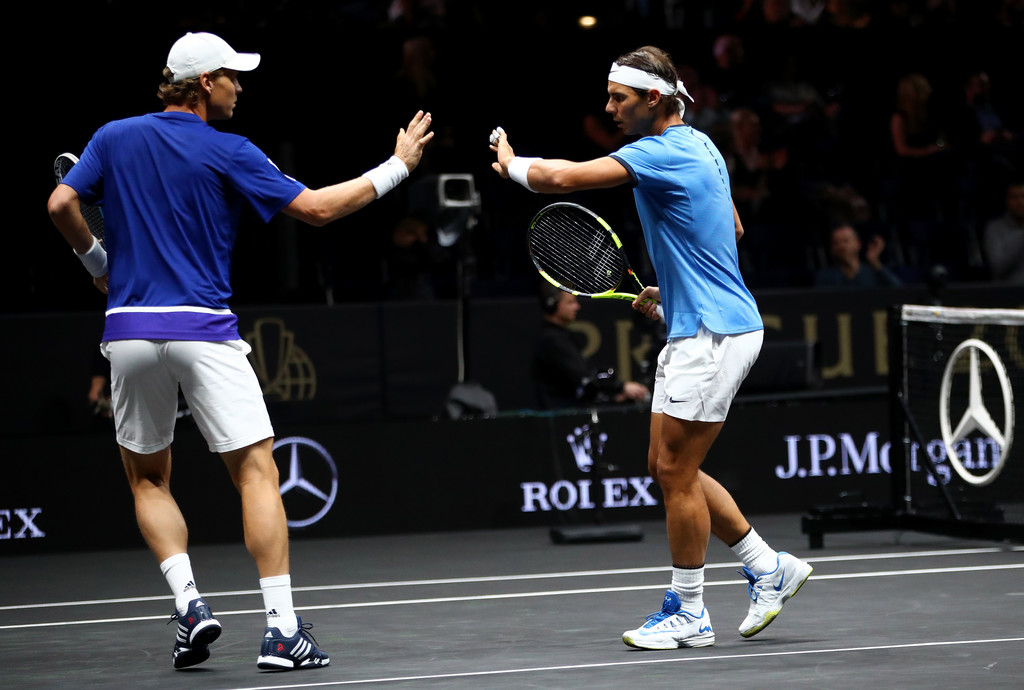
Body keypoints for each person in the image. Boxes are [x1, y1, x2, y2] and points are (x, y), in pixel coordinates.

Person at [47, 32, 433, 671]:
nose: (240, 85)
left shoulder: (113, 135)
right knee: (256, 471)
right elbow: (317, 209)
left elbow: (62, 202)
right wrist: (398, 167)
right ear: (204, 84)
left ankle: (189, 605)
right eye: (232, 75)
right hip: (204, 329)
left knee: (147, 478)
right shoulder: (231, 150)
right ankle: (282, 632)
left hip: (130, 332)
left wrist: (98, 263)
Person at [490, 45, 812, 651]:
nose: (609, 107)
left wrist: (511, 165)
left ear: (654, 100)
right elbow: (732, 227)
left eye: (619, 98)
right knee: (666, 468)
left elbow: (561, 178)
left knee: (677, 470)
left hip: (715, 332)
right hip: (699, 321)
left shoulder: (660, 151)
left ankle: (688, 611)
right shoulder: (703, 146)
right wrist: (678, 287)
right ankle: (769, 567)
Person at [532, 282, 649, 409]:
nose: (577, 307)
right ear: (552, 304)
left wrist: (613, 396)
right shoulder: (552, 339)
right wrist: (621, 387)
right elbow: (583, 379)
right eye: (570, 302)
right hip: (560, 418)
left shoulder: (560, 336)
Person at [813, 224, 902, 288]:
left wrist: (875, 262)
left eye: (845, 241)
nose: (841, 246)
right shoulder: (825, 277)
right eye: (836, 243)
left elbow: (899, 289)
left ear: (858, 244)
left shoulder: (873, 272)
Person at [983, 178, 1024, 283]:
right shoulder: (994, 228)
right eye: (1014, 197)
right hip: (1007, 293)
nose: (1020, 202)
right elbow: (998, 268)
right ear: (1006, 200)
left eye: (1023, 196)